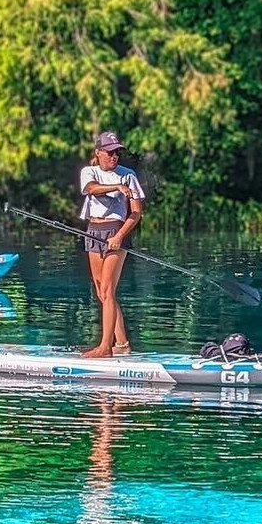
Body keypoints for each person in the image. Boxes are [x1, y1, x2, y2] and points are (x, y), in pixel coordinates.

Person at [79, 131, 145, 358]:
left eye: (117, 152)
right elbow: (91, 189)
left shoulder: (129, 175)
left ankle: (105, 347)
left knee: (107, 289)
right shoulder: (89, 172)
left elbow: (136, 213)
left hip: (116, 232)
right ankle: (122, 343)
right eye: (109, 152)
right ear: (98, 153)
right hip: (93, 231)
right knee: (101, 292)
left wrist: (119, 236)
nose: (114, 157)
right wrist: (116, 187)